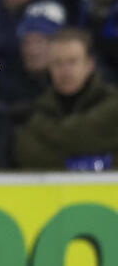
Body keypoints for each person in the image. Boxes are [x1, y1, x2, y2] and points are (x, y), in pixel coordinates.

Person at [13, 28, 118, 168]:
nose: (65, 70)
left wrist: (38, 124)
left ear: (90, 64)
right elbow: (30, 154)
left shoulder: (113, 103)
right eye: (57, 63)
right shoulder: (41, 108)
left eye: (72, 62)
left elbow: (81, 136)